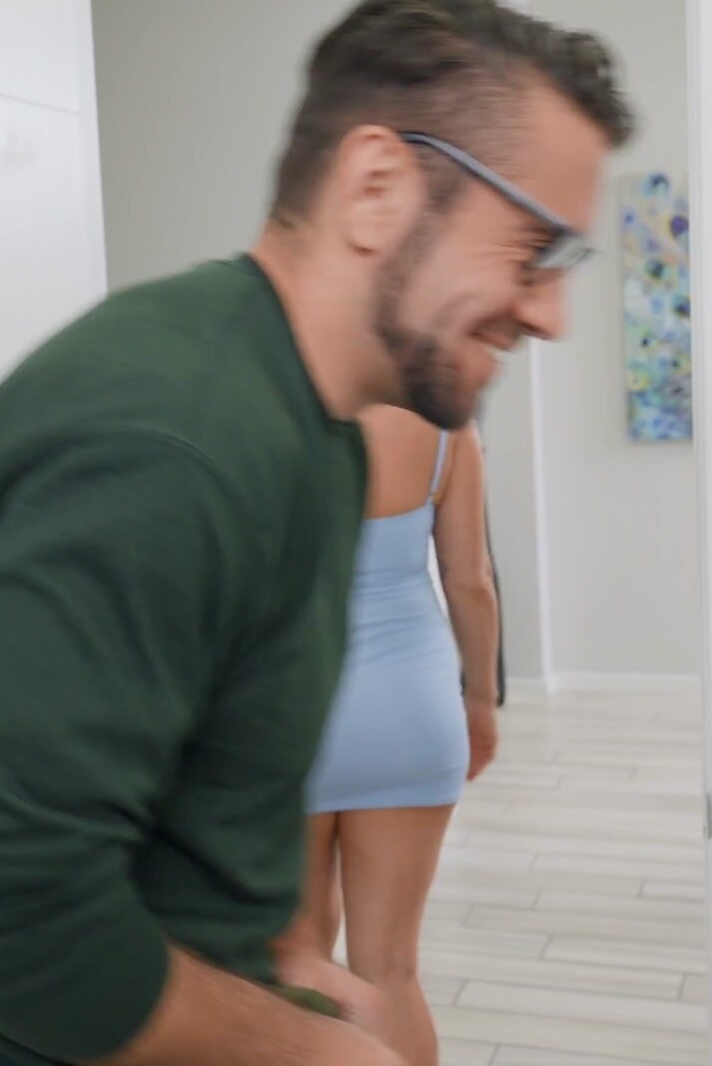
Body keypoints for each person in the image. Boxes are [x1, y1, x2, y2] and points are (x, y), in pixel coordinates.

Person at [0, 0, 632, 1062]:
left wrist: (282, 972)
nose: (550, 312)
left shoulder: (315, 436)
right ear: (377, 188)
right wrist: (299, 1048)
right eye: (531, 247)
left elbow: (190, 820)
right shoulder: (166, 446)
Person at [281, 407, 501, 1066]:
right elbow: (471, 582)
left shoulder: (270, 413)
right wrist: (480, 700)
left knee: (298, 962)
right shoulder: (446, 426)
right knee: (393, 970)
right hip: (410, 709)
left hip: (289, 713)